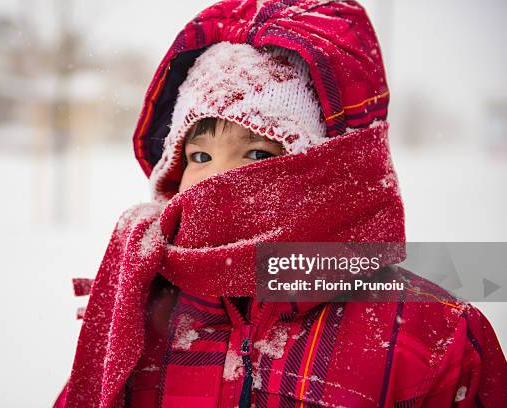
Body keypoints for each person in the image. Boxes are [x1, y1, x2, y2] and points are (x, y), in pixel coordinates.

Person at [54, 1, 507, 407]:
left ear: (333, 173)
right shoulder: (135, 308)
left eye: (258, 154)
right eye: (199, 156)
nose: (218, 180)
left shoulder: (429, 334)